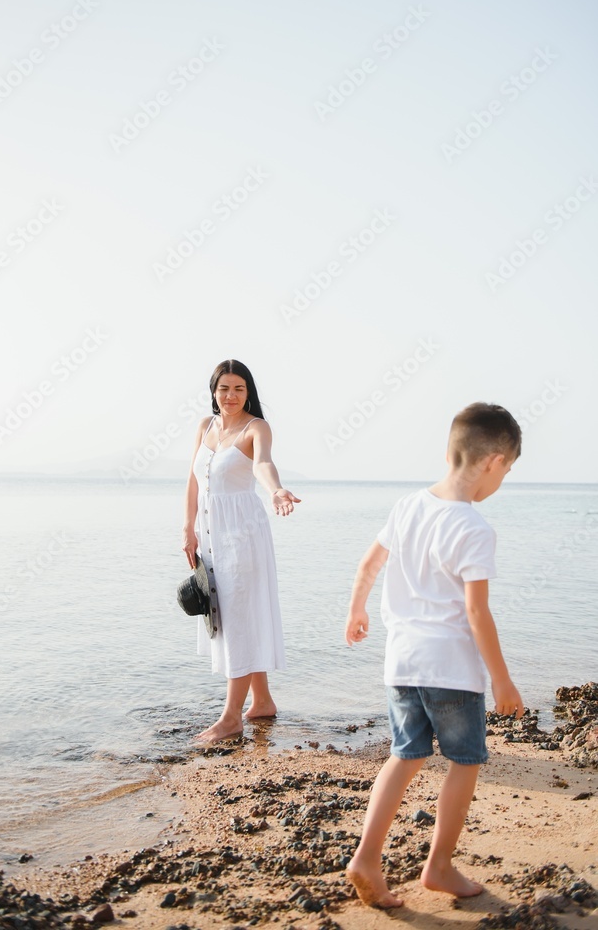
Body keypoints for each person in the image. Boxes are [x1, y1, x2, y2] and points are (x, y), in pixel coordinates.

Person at [344, 402, 524, 909]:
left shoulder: (407, 506)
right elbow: (476, 613)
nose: (501, 480)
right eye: (506, 470)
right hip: (452, 670)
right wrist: (503, 681)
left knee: (406, 756)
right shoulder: (474, 528)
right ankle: (439, 864)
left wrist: (356, 611)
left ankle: (366, 856)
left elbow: (370, 562)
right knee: (464, 761)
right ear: (492, 461)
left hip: (400, 663)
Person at [182, 359, 300, 744]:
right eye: (224, 389)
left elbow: (263, 464)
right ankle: (261, 700)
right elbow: (194, 480)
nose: (230, 396)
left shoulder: (256, 428)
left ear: (248, 392)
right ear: (213, 392)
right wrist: (188, 528)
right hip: (211, 534)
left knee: (238, 620)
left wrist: (276, 490)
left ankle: (231, 717)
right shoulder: (205, 426)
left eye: (239, 389)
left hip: (243, 535)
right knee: (231, 614)